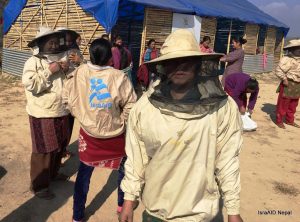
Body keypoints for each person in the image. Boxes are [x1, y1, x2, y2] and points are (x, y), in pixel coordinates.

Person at [120, 29, 243, 222]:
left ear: (198, 65)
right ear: (163, 67)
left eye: (186, 62)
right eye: (173, 62)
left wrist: (233, 210)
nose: (180, 68)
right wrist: (129, 199)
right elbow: (137, 156)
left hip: (203, 213)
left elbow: (227, 160)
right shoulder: (144, 107)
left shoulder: (222, 108)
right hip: (157, 211)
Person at [63, 38, 137, 222]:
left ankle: (77, 216)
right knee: (123, 171)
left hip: (89, 134)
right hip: (116, 136)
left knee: (84, 175)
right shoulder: (119, 77)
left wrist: (81, 114)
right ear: (110, 58)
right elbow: (131, 105)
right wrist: (121, 121)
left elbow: (66, 98)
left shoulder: (79, 72)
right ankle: (122, 206)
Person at [22, 26, 73, 200]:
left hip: (61, 110)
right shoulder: (33, 62)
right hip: (42, 112)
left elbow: (71, 81)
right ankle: (39, 186)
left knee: (59, 145)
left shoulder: (61, 58)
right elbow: (31, 85)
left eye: (54, 42)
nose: (53, 45)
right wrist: (49, 71)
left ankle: (53, 174)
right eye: (49, 42)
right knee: (44, 149)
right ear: (41, 43)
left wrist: (67, 69)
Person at [275, 39, 300, 129]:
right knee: (283, 104)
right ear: (293, 49)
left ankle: (290, 120)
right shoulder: (286, 59)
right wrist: (284, 79)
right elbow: (278, 70)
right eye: (298, 48)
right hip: (287, 83)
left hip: (297, 86)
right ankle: (279, 121)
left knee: (293, 104)